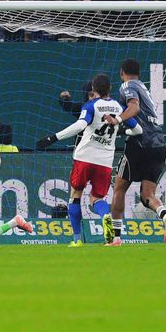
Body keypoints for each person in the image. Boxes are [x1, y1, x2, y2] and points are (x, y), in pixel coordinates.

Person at [36, 74, 143, 246]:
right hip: (105, 161)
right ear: (109, 88)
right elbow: (138, 130)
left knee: (75, 196)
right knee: (97, 198)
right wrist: (122, 132)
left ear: (94, 89)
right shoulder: (119, 107)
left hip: (84, 157)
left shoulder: (91, 105)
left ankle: (77, 239)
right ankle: (105, 216)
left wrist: (53, 138)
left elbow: (80, 125)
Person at [104, 59, 166, 246]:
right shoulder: (143, 87)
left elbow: (134, 107)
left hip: (139, 143)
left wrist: (117, 119)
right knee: (147, 196)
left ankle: (116, 238)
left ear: (122, 73)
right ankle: (165, 215)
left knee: (119, 188)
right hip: (159, 143)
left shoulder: (127, 85)